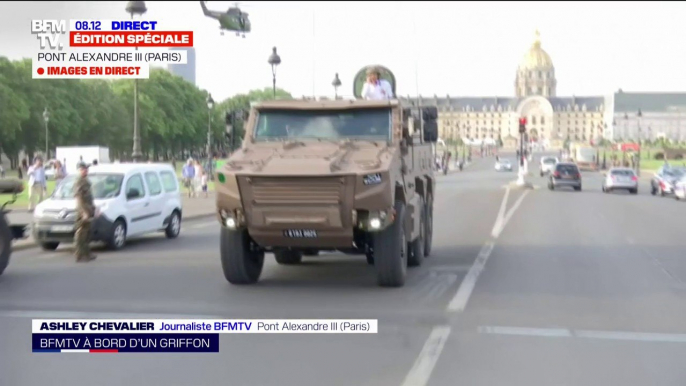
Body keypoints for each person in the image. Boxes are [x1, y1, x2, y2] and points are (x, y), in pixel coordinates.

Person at [73, 163, 97, 262]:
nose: (85, 171)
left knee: (87, 233)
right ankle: (79, 254)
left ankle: (87, 253)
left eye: (86, 169)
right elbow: (79, 198)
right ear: (79, 170)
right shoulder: (79, 182)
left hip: (88, 209)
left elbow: (89, 197)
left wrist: (94, 208)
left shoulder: (86, 181)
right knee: (81, 233)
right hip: (82, 211)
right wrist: (83, 212)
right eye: (83, 169)